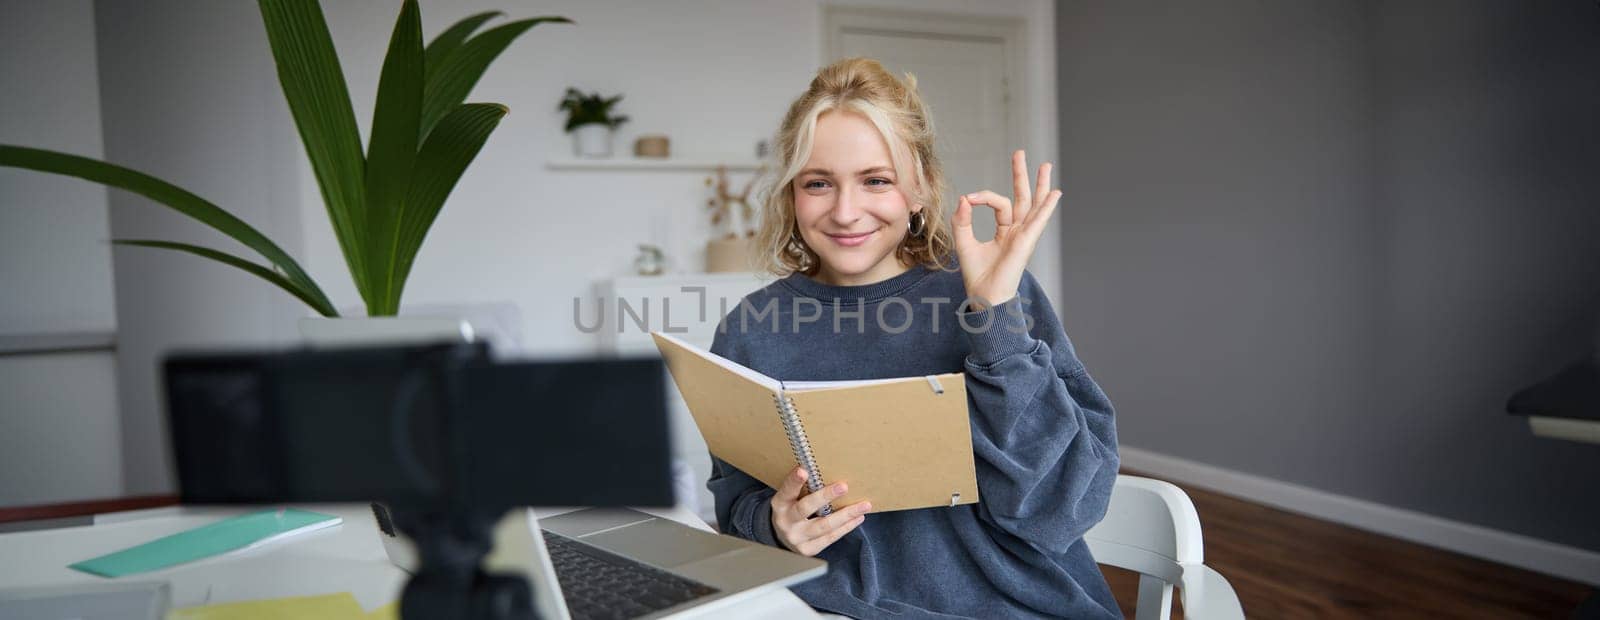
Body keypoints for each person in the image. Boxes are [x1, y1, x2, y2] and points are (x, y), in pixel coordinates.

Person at [705, 57, 1121, 619]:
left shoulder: (993, 295)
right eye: (818, 184)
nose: (846, 212)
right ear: (791, 195)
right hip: (831, 609)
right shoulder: (749, 329)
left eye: (876, 180)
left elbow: (1059, 511)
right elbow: (738, 502)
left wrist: (995, 317)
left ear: (920, 188)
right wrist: (775, 525)